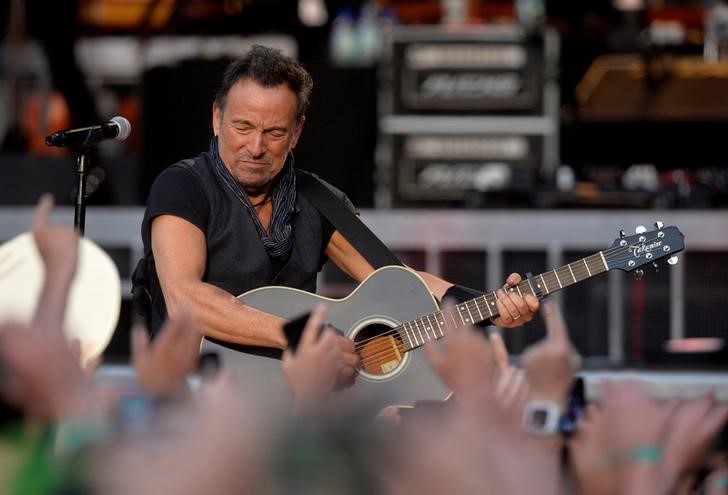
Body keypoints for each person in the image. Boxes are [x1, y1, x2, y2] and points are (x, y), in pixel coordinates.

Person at [135, 44, 540, 390]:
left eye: (274, 133)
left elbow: (396, 279)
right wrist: (304, 337)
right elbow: (185, 298)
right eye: (242, 126)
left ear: (297, 132)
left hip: (293, 401)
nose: (255, 146)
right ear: (216, 117)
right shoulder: (183, 186)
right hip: (194, 397)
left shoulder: (317, 199)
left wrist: (486, 305)